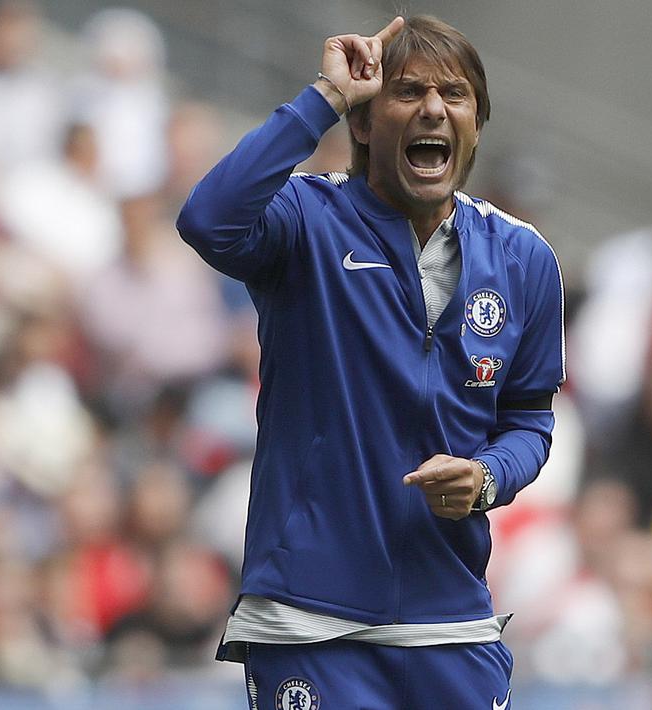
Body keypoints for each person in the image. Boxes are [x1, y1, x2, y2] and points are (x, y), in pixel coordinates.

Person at [176, 15, 564, 710]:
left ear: (475, 125)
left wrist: (485, 476)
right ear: (363, 124)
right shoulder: (304, 220)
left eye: (454, 94)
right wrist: (322, 96)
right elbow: (207, 220)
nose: (432, 109)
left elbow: (529, 421)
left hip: (449, 620)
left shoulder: (522, 256)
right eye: (407, 90)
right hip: (308, 617)